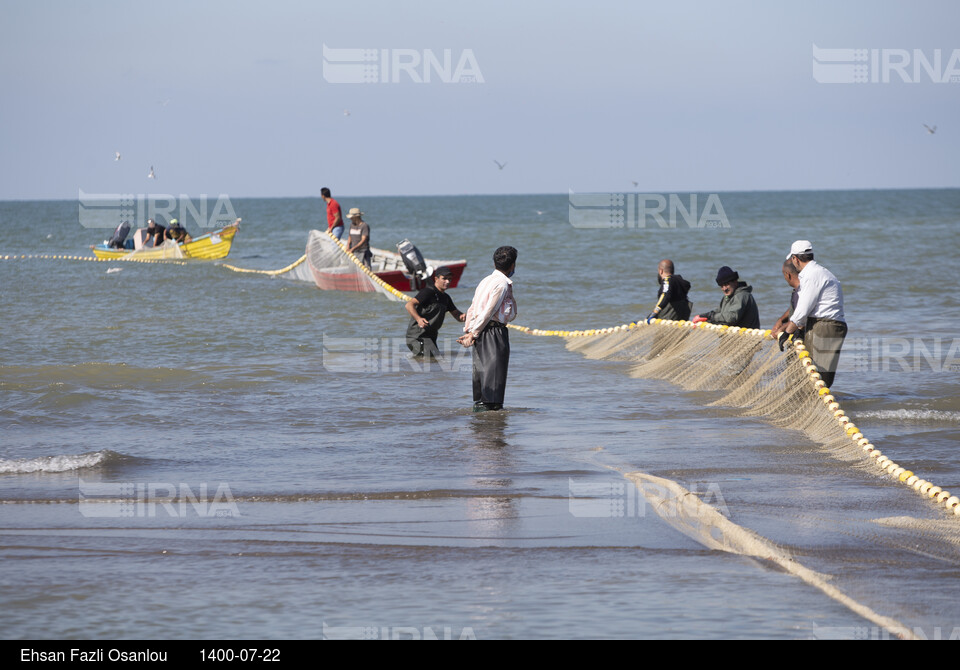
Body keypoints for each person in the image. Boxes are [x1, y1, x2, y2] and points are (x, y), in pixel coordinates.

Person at [778, 240, 847, 388]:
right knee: (814, 374)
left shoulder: (811, 275)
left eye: (792, 259)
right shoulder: (818, 272)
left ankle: (815, 407)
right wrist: (798, 328)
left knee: (819, 377)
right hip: (825, 325)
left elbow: (803, 309)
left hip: (825, 326)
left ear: (796, 259)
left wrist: (787, 332)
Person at [458, 246, 518, 412]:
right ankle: (491, 426)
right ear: (512, 265)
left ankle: (480, 423)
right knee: (493, 380)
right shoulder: (502, 284)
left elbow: (472, 308)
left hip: (480, 331)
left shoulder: (485, 281)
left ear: (494, 263)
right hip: (493, 332)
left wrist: (469, 330)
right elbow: (488, 312)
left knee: (482, 380)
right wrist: (472, 333)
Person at [405, 266, 466, 357]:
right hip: (416, 337)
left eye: (449, 279)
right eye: (444, 278)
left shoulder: (446, 298)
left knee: (434, 362)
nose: (448, 281)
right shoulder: (428, 292)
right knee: (430, 362)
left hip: (431, 338)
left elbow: (458, 315)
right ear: (436, 279)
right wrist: (419, 319)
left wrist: (470, 316)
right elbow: (409, 305)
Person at [692, 266, 760, 329]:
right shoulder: (727, 297)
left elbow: (732, 317)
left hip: (746, 339)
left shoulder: (742, 295)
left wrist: (710, 316)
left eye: (726, 284)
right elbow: (719, 313)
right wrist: (704, 317)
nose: (724, 289)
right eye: (721, 286)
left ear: (735, 282)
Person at [771, 259, 801, 337]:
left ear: (788, 275)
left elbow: (802, 317)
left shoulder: (801, 292)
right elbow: (796, 308)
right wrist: (781, 320)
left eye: (784, 275)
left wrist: (782, 329)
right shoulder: (799, 289)